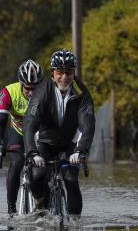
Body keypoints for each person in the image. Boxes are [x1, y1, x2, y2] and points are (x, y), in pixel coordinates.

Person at [23, 49, 95, 215]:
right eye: (60, 72)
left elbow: (88, 124)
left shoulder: (82, 93)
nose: (64, 77)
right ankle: (40, 203)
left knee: (71, 179)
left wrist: (81, 150)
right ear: (53, 72)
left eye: (69, 72)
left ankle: (75, 230)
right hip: (44, 142)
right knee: (39, 174)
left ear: (74, 72)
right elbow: (30, 123)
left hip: (69, 144)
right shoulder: (42, 91)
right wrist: (32, 153)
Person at [0, 59, 44, 215]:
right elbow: (1, 121)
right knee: (16, 164)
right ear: (21, 83)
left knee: (43, 169)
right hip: (19, 132)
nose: (31, 92)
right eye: (28, 88)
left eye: (35, 88)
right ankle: (11, 209)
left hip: (40, 134)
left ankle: (44, 202)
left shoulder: (48, 91)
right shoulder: (9, 92)